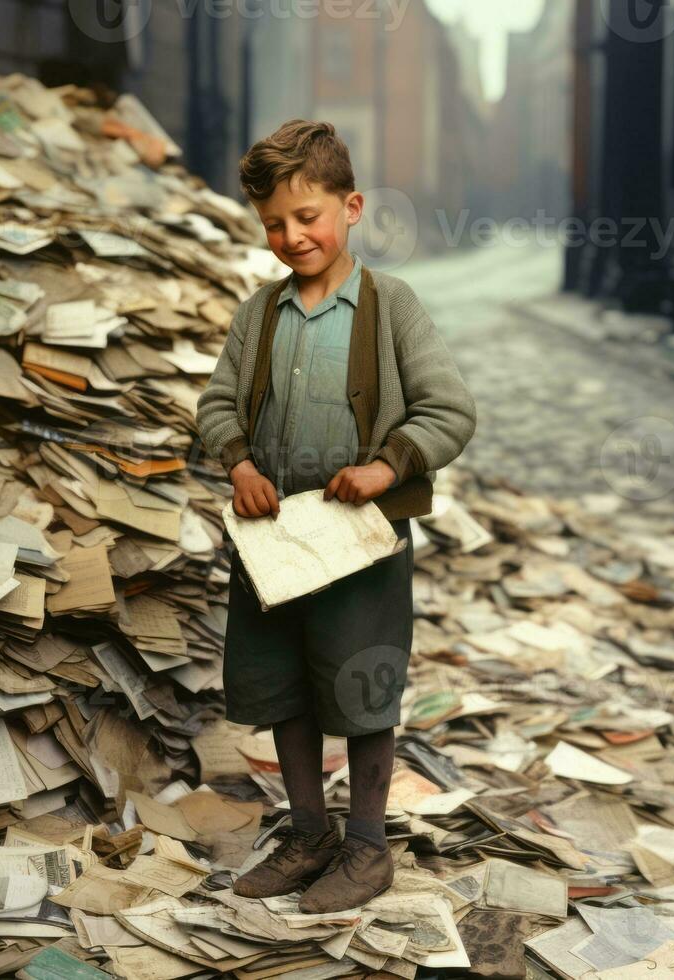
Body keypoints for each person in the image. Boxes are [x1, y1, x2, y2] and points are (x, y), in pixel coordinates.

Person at [195, 119, 476, 913]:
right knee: (282, 684)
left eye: (307, 217)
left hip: (361, 542)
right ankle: (309, 832)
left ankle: (366, 846)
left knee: (361, 686)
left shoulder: (391, 308)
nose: (291, 237)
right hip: (276, 544)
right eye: (274, 225)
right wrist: (241, 464)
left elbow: (449, 409)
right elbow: (216, 403)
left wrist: (388, 464)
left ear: (351, 207)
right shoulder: (258, 314)